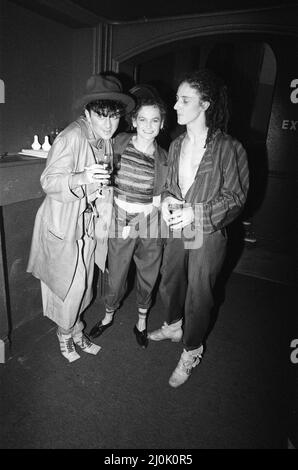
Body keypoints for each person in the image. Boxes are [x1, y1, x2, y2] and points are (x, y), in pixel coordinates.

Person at [148, 69, 249, 387]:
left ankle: (192, 349)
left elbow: (236, 197)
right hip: (179, 228)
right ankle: (174, 324)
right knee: (171, 281)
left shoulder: (229, 148)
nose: (175, 105)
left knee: (199, 296)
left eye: (184, 99)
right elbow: (168, 186)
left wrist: (197, 213)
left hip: (207, 231)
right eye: (177, 98)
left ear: (205, 104)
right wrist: (166, 201)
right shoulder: (176, 145)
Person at [27, 74, 135, 362]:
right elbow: (49, 182)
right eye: (102, 116)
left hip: (86, 224)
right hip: (64, 225)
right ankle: (65, 335)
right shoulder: (72, 137)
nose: (109, 124)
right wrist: (82, 177)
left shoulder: (104, 139)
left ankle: (75, 329)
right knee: (69, 287)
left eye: (114, 116)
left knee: (85, 284)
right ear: (87, 113)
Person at [89, 87, 168, 348]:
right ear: (133, 121)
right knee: (116, 276)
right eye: (142, 119)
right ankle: (109, 315)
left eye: (155, 120)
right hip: (120, 218)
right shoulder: (119, 141)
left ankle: (142, 321)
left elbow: (160, 200)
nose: (148, 126)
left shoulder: (165, 159)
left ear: (162, 124)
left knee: (148, 275)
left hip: (149, 223)